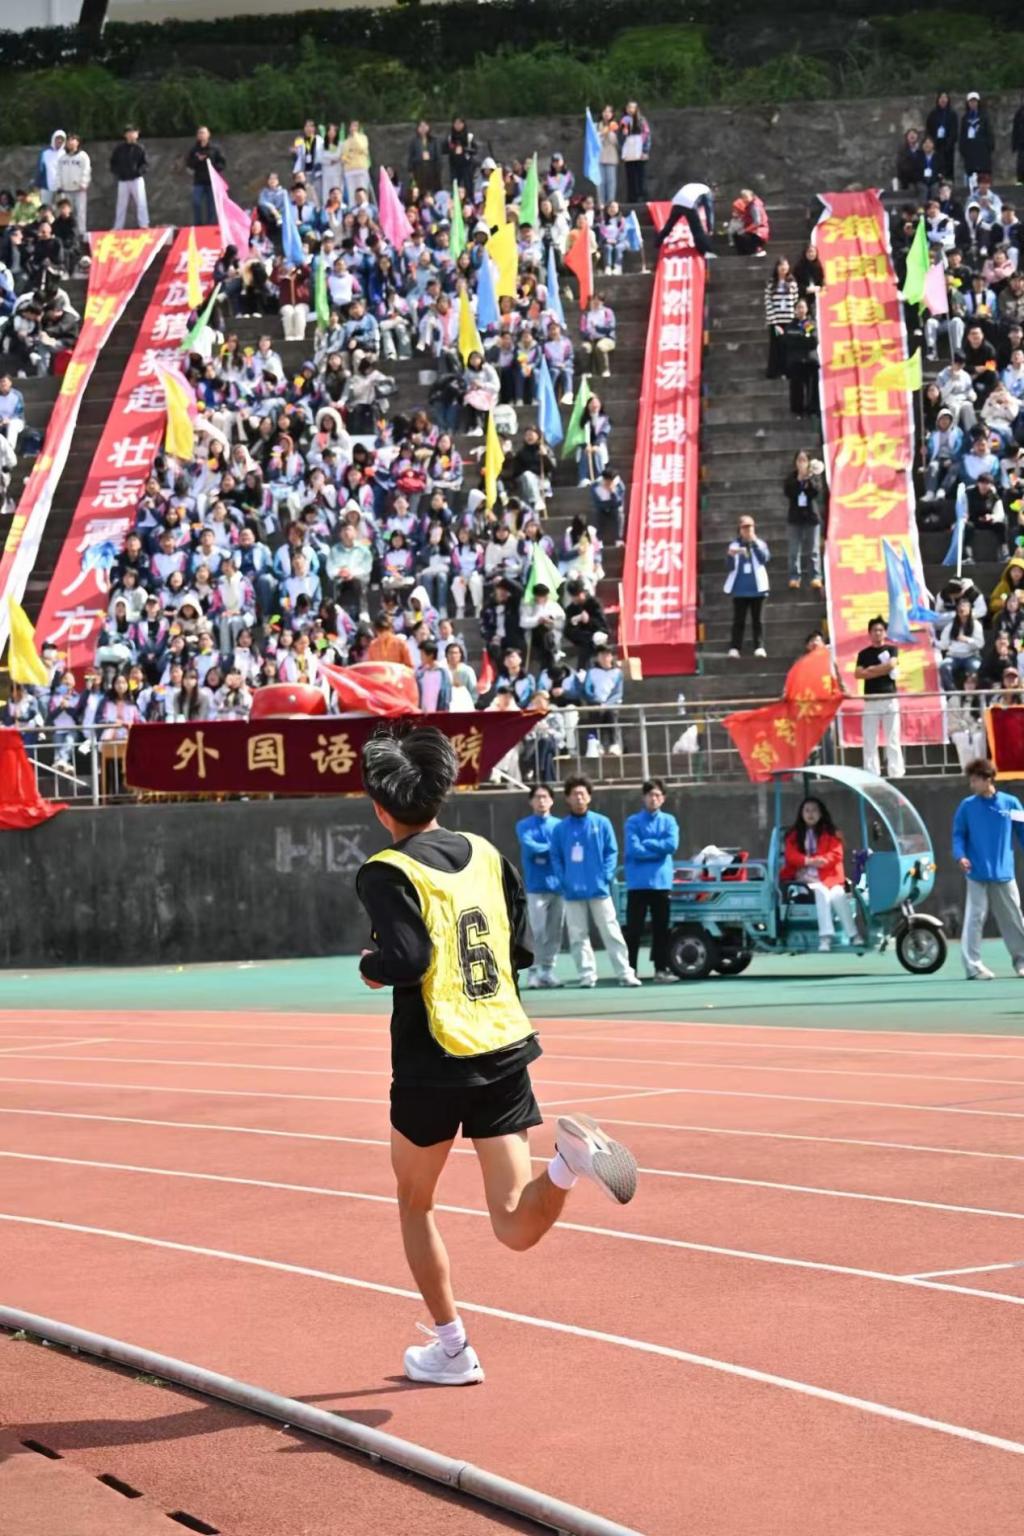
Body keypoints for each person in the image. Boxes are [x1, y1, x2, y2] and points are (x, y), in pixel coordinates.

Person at [355, 727, 638, 1387]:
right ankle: (568, 1163)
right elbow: (520, 949)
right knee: (513, 1221)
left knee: (415, 1202)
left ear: (380, 807)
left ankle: (452, 1350)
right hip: (504, 1046)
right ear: (442, 793)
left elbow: (408, 959)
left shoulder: (386, 871)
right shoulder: (486, 854)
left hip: (432, 1058)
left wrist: (373, 966)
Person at [549, 775, 641, 988]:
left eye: (582, 793)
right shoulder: (560, 829)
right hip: (572, 890)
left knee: (611, 931)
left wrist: (606, 876)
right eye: (574, 794)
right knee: (577, 935)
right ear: (567, 798)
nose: (579, 798)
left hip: (599, 888)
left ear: (589, 797)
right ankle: (587, 975)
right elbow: (555, 856)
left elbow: (611, 851)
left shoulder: (601, 822)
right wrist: (564, 879)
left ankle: (625, 973)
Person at [953, 756, 1024, 980]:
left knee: (1013, 918)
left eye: (975, 780)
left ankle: (1022, 961)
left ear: (988, 779)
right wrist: (961, 856)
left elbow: (1023, 831)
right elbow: (958, 835)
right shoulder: (967, 806)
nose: (971, 784)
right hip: (976, 873)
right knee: (974, 919)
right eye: (971, 780)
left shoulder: (1011, 803)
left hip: (1004, 874)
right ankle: (973, 967)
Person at [779, 797, 858, 953]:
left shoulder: (832, 833)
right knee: (821, 892)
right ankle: (825, 937)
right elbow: (791, 856)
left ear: (821, 813)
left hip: (829, 876)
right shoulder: (794, 835)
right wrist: (809, 861)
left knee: (838, 894)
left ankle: (853, 935)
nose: (810, 814)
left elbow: (836, 854)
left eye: (814, 810)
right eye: (807, 811)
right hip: (805, 877)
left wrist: (823, 861)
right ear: (801, 814)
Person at [623, 779, 680, 982]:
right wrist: (658, 850)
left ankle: (660, 970)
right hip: (637, 884)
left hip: (661, 884)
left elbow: (672, 845)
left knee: (661, 929)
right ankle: (630, 971)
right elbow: (634, 850)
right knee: (634, 930)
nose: (653, 799)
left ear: (663, 798)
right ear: (643, 798)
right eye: (650, 795)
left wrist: (648, 842)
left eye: (657, 795)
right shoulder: (633, 821)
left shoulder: (669, 821)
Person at [515, 783, 564, 989]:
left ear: (552, 800)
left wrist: (551, 850)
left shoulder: (560, 826)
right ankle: (532, 972)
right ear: (531, 801)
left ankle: (548, 971)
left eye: (545, 797)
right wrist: (553, 849)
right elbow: (531, 848)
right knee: (536, 930)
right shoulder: (524, 825)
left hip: (559, 887)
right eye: (537, 797)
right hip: (535, 886)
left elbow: (562, 850)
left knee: (555, 931)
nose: (541, 801)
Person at [854, 616, 904, 778]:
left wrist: (870, 670)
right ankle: (871, 773)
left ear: (885, 633)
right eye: (874, 630)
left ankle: (896, 772)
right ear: (869, 633)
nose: (878, 633)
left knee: (892, 738)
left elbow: (891, 665)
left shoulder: (892, 649)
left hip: (889, 698)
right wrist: (881, 669)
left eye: (881, 630)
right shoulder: (863, 654)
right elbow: (858, 674)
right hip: (871, 700)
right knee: (869, 739)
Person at [725, 515, 770, 659]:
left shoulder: (760, 543)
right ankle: (735, 647)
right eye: (744, 527)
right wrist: (730, 556)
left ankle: (759, 647)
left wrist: (754, 543)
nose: (747, 530)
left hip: (758, 589)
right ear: (739, 529)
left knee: (758, 620)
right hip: (740, 589)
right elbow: (729, 567)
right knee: (739, 620)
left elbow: (764, 559)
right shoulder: (734, 545)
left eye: (750, 527)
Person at [655, 181, 715, 259]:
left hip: (676, 202)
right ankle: (706, 252)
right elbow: (709, 210)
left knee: (669, 224)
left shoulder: (694, 186)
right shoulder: (707, 191)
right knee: (697, 229)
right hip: (689, 204)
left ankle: (657, 242)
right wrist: (710, 228)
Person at [110, 125, 149, 230]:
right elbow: (113, 163)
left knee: (141, 202)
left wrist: (139, 172)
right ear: (125, 135)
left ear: (137, 135)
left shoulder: (140, 148)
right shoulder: (119, 149)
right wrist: (118, 173)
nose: (131, 135)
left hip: (137, 179)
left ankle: (144, 224)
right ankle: (118, 226)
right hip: (123, 180)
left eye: (133, 132)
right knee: (121, 204)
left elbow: (145, 164)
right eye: (129, 132)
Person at [186, 127, 226, 226]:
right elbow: (189, 163)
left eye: (203, 133)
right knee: (196, 202)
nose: (201, 135)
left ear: (208, 135)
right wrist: (198, 160)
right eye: (200, 133)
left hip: (211, 181)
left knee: (211, 205)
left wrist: (212, 166)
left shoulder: (215, 149)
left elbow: (222, 163)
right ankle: (198, 224)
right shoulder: (194, 150)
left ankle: (210, 225)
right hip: (199, 181)